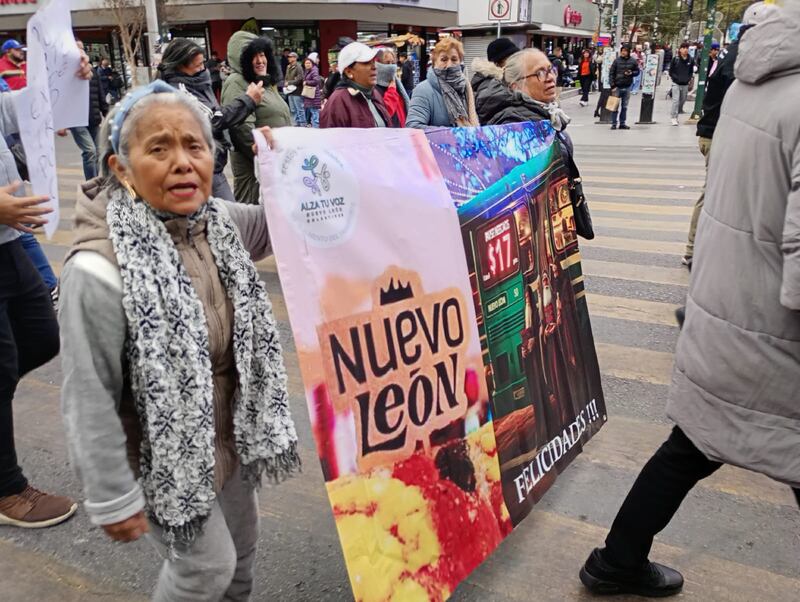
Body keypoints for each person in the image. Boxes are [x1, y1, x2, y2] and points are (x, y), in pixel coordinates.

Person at [579, 3, 800, 597]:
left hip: (727, 305)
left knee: (693, 444)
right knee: (697, 447)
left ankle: (618, 559)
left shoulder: (754, 84)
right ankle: (617, 561)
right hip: (776, 328)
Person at [59, 82, 300, 602]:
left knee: (244, 549)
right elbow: (87, 396)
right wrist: (110, 495)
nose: (183, 162)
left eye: (194, 145)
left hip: (229, 432)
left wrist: (292, 168)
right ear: (120, 168)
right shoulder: (98, 268)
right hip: (156, 452)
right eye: (159, 148)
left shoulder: (220, 224)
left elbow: (295, 223)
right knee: (205, 569)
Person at [0, 44, 93, 531]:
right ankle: (7, 491)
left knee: (41, 337)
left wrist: (69, 78)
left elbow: (31, 107)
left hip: (9, 243)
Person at [157, 37, 264, 203]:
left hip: (214, 163)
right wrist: (248, 101)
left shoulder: (198, 80)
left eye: (203, 64)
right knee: (228, 218)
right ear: (180, 66)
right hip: (203, 168)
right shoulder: (180, 91)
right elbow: (213, 119)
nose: (202, 69)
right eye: (197, 65)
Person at [222, 32, 291, 204]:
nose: (260, 61)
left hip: (272, 166)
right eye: (253, 56)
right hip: (255, 174)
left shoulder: (265, 83)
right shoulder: (237, 82)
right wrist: (266, 154)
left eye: (262, 54)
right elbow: (241, 127)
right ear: (241, 60)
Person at [58, 39, 108, 181]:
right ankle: (91, 182)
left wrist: (107, 114)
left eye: (82, 48)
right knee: (90, 151)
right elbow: (60, 99)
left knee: (98, 152)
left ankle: (97, 181)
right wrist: (61, 122)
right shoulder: (64, 74)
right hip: (76, 120)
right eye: (76, 49)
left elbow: (100, 94)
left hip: (92, 117)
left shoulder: (92, 72)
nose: (80, 52)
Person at [406, 38, 478, 129]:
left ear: (460, 62)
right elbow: (413, 127)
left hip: (466, 142)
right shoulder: (423, 90)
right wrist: (454, 134)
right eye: (444, 59)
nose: (449, 65)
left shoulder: (466, 88)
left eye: (454, 59)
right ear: (434, 62)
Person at [319, 41, 391, 129]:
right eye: (366, 63)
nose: (374, 67)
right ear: (349, 71)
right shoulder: (337, 103)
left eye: (373, 62)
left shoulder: (375, 94)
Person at [471, 37, 519, 125]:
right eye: (511, 59)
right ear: (498, 63)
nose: (516, 63)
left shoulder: (508, 81)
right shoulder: (489, 85)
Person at [374, 48, 410, 128]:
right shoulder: (374, 88)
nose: (391, 66)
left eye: (392, 63)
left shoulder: (396, 84)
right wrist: (391, 92)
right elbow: (384, 114)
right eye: (387, 63)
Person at [608, 44, 639, 130]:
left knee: (624, 107)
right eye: (622, 51)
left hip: (627, 86)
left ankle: (622, 123)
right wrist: (612, 85)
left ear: (628, 52)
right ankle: (614, 123)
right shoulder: (616, 61)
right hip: (617, 86)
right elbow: (611, 73)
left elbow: (637, 71)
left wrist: (631, 73)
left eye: (625, 51)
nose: (623, 52)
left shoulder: (633, 61)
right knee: (614, 106)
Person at [668, 43, 695, 125]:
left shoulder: (691, 59)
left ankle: (678, 111)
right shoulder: (675, 59)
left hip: (685, 83)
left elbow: (691, 71)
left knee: (683, 99)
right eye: (683, 48)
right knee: (675, 100)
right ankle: (673, 117)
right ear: (680, 49)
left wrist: (688, 78)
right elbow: (671, 71)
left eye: (686, 48)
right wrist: (674, 78)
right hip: (676, 83)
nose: (685, 49)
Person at [284, 51, 306, 126]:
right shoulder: (288, 67)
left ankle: (303, 125)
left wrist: (289, 83)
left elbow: (300, 79)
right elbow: (287, 77)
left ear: (295, 58)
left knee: (299, 109)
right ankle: (296, 124)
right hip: (290, 91)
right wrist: (286, 83)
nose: (289, 58)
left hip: (297, 91)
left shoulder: (298, 67)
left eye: (291, 57)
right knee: (293, 110)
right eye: (289, 57)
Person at [302, 56, 323, 128]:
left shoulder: (314, 70)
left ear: (312, 64)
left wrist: (306, 82)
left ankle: (316, 128)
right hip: (310, 95)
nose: (307, 64)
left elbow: (316, 81)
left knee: (314, 112)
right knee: (312, 111)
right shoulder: (308, 70)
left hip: (313, 95)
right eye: (306, 63)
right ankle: (313, 126)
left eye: (309, 63)